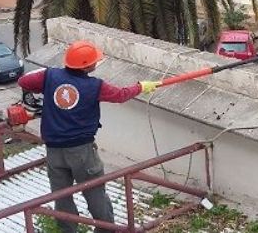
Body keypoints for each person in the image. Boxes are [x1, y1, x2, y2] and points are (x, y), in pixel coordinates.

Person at [18, 41, 160, 233]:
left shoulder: (50, 76)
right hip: (82, 152)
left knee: (61, 195)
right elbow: (120, 95)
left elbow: (24, 82)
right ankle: (106, 229)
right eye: (95, 61)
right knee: (95, 192)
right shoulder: (94, 86)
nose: (97, 62)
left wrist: (53, 78)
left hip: (53, 150)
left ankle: (68, 229)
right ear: (86, 65)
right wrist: (141, 87)